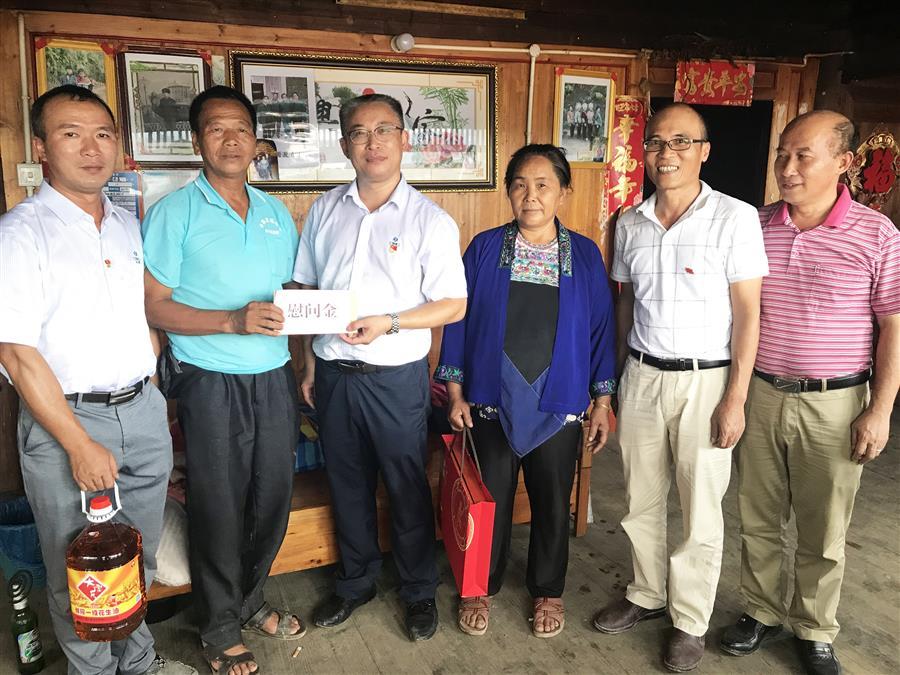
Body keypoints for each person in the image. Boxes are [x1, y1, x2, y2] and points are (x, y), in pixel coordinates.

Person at [0, 85, 194, 675]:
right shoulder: (21, 232)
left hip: (141, 410)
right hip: (68, 420)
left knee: (137, 557)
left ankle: (139, 663)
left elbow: (144, 315)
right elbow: (15, 351)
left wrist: (150, 389)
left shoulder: (126, 226)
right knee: (81, 571)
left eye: (103, 134)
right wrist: (79, 444)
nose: (91, 148)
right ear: (41, 147)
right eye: (71, 134)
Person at [719, 111, 900, 675]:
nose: (787, 168)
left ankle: (815, 627)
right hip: (762, 393)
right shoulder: (755, 224)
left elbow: (893, 325)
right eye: (782, 154)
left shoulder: (877, 233)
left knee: (824, 527)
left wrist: (880, 410)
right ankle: (761, 611)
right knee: (757, 515)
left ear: (844, 162)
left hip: (835, 402)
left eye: (803, 156)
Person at [592, 103, 769, 672]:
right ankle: (646, 593)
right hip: (643, 375)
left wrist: (736, 397)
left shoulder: (735, 217)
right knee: (640, 498)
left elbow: (748, 313)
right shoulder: (630, 222)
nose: (666, 153)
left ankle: (690, 619)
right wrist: (615, 380)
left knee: (700, 508)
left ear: (704, 151)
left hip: (707, 380)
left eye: (681, 142)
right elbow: (624, 307)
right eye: (656, 143)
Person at [293, 93, 467, 641]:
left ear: (404, 140)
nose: (373, 143)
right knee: (346, 483)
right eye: (360, 133)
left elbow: (453, 305)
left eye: (384, 130)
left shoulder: (429, 220)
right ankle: (356, 582)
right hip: (334, 374)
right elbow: (306, 289)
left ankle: (418, 590)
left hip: (395, 379)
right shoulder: (324, 210)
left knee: (406, 484)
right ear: (345, 144)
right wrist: (309, 365)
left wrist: (389, 322)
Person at [141, 86, 303, 675]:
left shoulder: (275, 213)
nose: (231, 140)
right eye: (216, 129)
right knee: (218, 505)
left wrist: (310, 339)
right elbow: (153, 304)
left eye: (241, 129)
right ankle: (218, 627)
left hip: (275, 376)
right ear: (196, 141)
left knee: (272, 499)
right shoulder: (173, 213)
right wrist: (230, 321)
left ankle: (249, 599)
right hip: (209, 379)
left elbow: (291, 295)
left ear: (256, 142)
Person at [435, 144, 616, 639]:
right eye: (519, 185)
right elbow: (458, 322)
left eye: (542, 185)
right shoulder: (485, 248)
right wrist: (456, 392)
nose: (530, 196)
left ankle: (548, 591)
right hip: (490, 400)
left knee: (553, 503)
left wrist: (602, 401)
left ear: (563, 192)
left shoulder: (584, 254)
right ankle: (479, 585)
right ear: (508, 191)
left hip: (559, 403)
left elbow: (600, 330)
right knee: (488, 500)